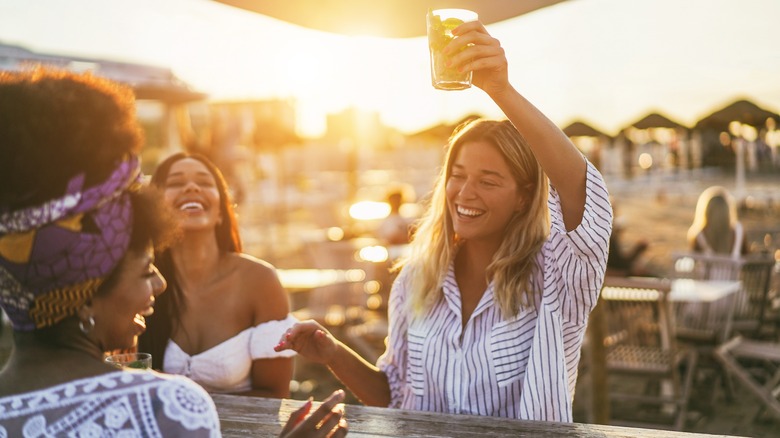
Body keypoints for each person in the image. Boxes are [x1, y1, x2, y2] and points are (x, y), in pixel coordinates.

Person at [276, 19, 612, 422]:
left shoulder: (554, 278)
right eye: (458, 175)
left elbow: (583, 193)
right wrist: (332, 353)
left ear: (524, 197)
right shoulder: (416, 280)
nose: (465, 193)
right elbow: (395, 395)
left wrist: (500, 90)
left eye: (488, 181)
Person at [0, 68, 347, 437]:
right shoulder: (168, 408)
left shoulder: (257, 279)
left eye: (204, 181)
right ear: (84, 298)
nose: (159, 284)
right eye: (145, 269)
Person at [138, 152, 296, 398]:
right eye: (176, 183)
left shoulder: (260, 280)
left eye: (204, 182)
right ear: (156, 209)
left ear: (221, 210)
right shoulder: (141, 282)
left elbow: (276, 394)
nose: (191, 187)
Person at [687, 186, 749, 258]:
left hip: (706, 269)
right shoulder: (739, 231)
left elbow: (693, 259)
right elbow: (747, 256)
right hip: (733, 269)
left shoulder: (699, 235)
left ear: (707, 211)